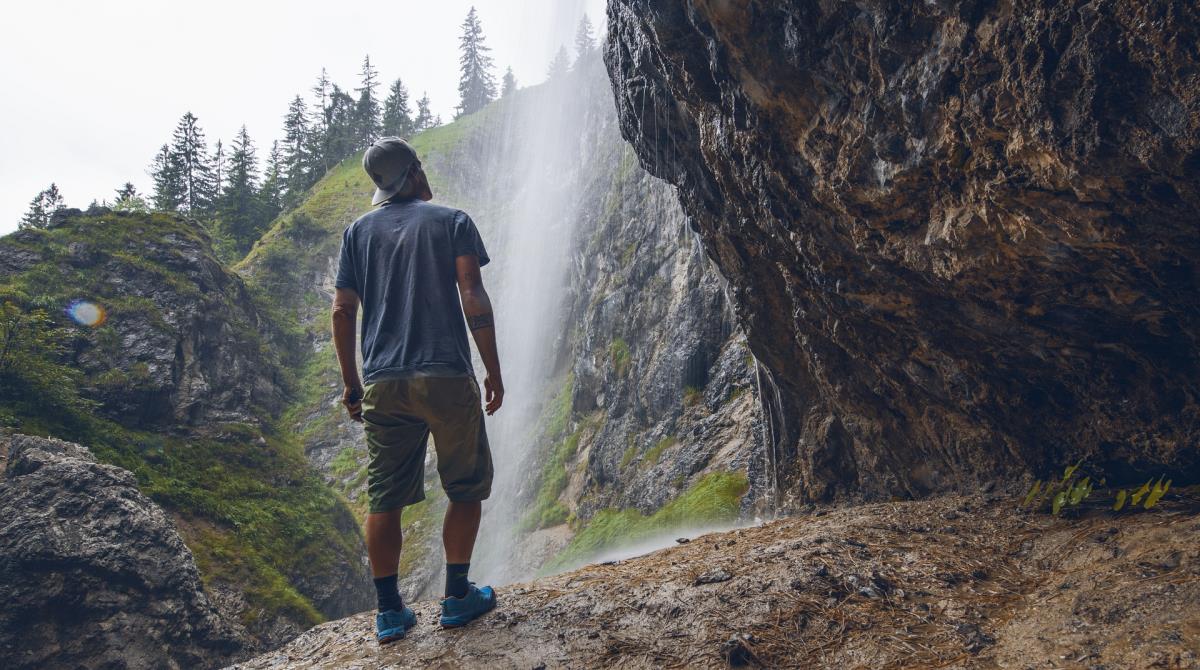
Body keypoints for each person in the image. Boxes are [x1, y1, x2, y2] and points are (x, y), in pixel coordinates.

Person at [331, 137, 504, 645]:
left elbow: (342, 311)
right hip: (447, 374)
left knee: (384, 499)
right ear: (411, 174)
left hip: (384, 382)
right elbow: (471, 293)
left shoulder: (357, 234)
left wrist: (351, 383)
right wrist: (492, 369)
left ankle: (389, 612)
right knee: (465, 485)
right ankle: (457, 598)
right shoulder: (452, 221)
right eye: (420, 166)